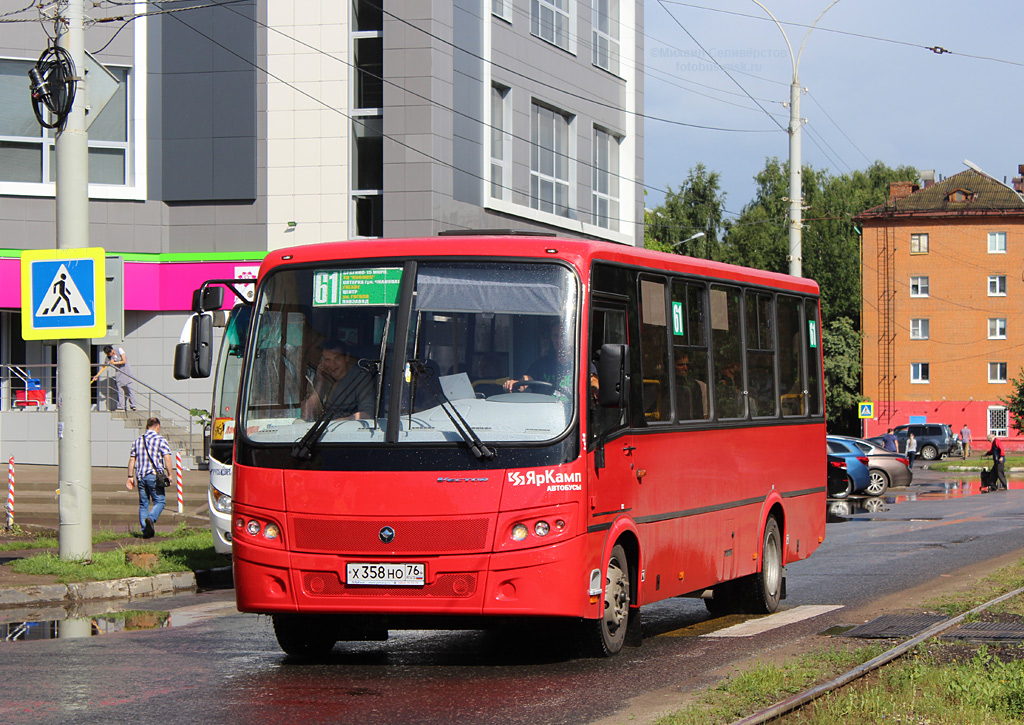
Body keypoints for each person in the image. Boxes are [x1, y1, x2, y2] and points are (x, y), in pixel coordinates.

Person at [301, 340, 374, 420]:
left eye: (337, 358)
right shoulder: (323, 377)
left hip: (349, 429)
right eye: (327, 360)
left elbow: (367, 414)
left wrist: (335, 423)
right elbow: (308, 414)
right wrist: (320, 384)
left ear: (347, 357)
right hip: (320, 430)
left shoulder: (360, 378)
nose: (332, 364)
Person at [127, 417, 173, 539]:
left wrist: (130, 476)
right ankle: (151, 519)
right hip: (154, 476)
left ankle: (145, 531)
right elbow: (167, 458)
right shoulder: (160, 439)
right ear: (158, 427)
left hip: (140, 477)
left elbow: (132, 459)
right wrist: (170, 474)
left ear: (147, 426)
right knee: (160, 501)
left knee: (143, 504)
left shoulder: (137, 441)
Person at [503, 323, 572, 397]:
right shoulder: (542, 364)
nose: (559, 340)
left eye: (563, 336)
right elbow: (527, 379)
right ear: (551, 338)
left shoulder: (581, 366)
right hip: (543, 407)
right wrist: (515, 383)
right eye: (555, 336)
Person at [92, 345, 136, 411]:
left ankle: (133, 405)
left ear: (112, 350)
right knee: (120, 391)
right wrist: (97, 375)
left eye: (110, 353)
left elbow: (124, 361)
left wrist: (114, 363)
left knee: (130, 390)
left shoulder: (119, 350)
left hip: (127, 373)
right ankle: (121, 406)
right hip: (119, 375)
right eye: (107, 354)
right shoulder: (109, 357)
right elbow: (104, 366)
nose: (109, 354)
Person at [674, 351, 708, 419]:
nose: (685, 368)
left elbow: (705, 416)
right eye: (680, 365)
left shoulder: (699, 386)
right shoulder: (662, 387)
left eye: (687, 365)